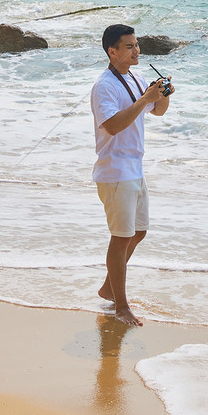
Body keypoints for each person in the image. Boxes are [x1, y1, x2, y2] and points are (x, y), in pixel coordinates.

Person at [91, 23, 174, 326]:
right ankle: (120, 306)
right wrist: (144, 99)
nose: (136, 50)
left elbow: (158, 111)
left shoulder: (136, 76)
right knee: (121, 237)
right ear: (112, 52)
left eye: (137, 45)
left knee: (139, 232)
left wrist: (162, 94)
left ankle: (108, 287)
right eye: (129, 46)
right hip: (115, 170)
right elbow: (112, 126)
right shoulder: (104, 86)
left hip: (135, 167)